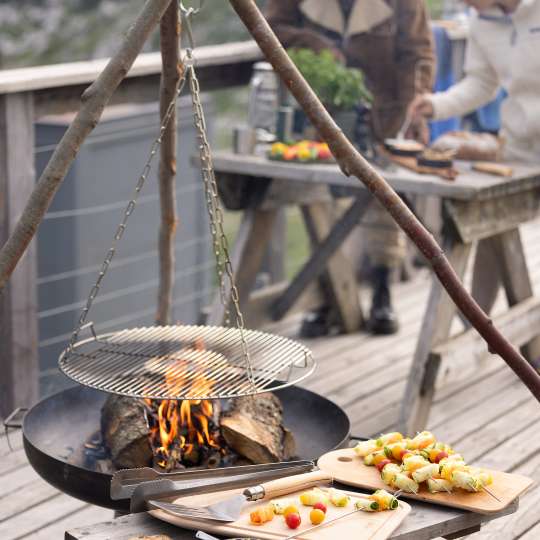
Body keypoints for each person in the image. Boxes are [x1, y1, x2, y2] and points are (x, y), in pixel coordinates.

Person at [265, 0, 435, 335]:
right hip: (320, 110)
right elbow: (271, 29)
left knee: (385, 205)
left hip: (385, 111)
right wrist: (317, 46)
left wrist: (413, 111)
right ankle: (329, 299)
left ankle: (382, 292)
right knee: (322, 204)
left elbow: (417, 53)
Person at [409, 0, 540, 314]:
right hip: (519, 146)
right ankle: (479, 324)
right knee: (492, 224)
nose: (463, 3)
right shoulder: (481, 23)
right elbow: (482, 82)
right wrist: (436, 105)